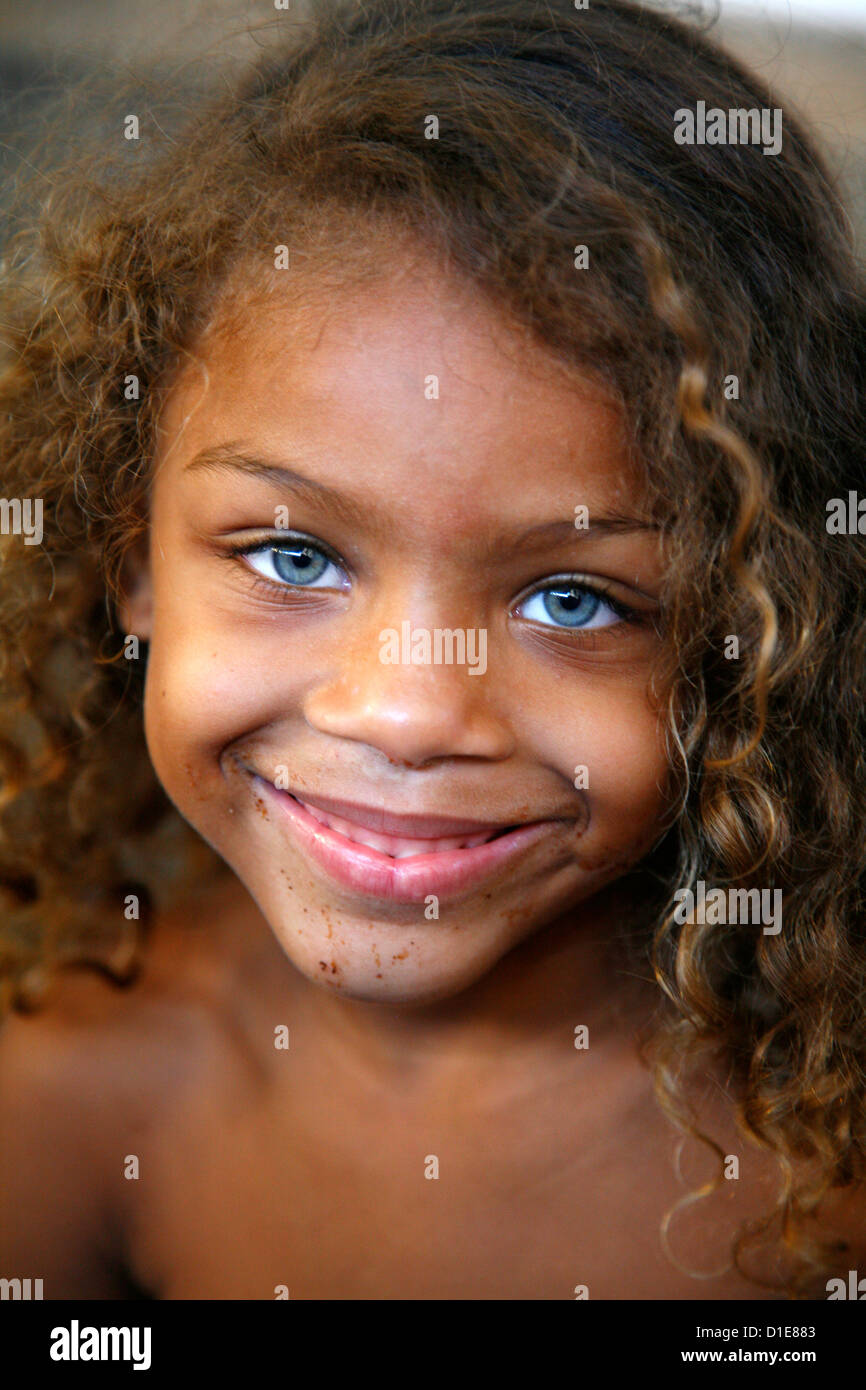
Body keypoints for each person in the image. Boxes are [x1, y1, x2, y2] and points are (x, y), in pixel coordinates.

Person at [0, 0, 863, 1300]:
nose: (405, 711)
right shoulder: (81, 1085)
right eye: (295, 557)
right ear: (133, 559)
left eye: (570, 598)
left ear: (748, 629)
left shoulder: (823, 1165)